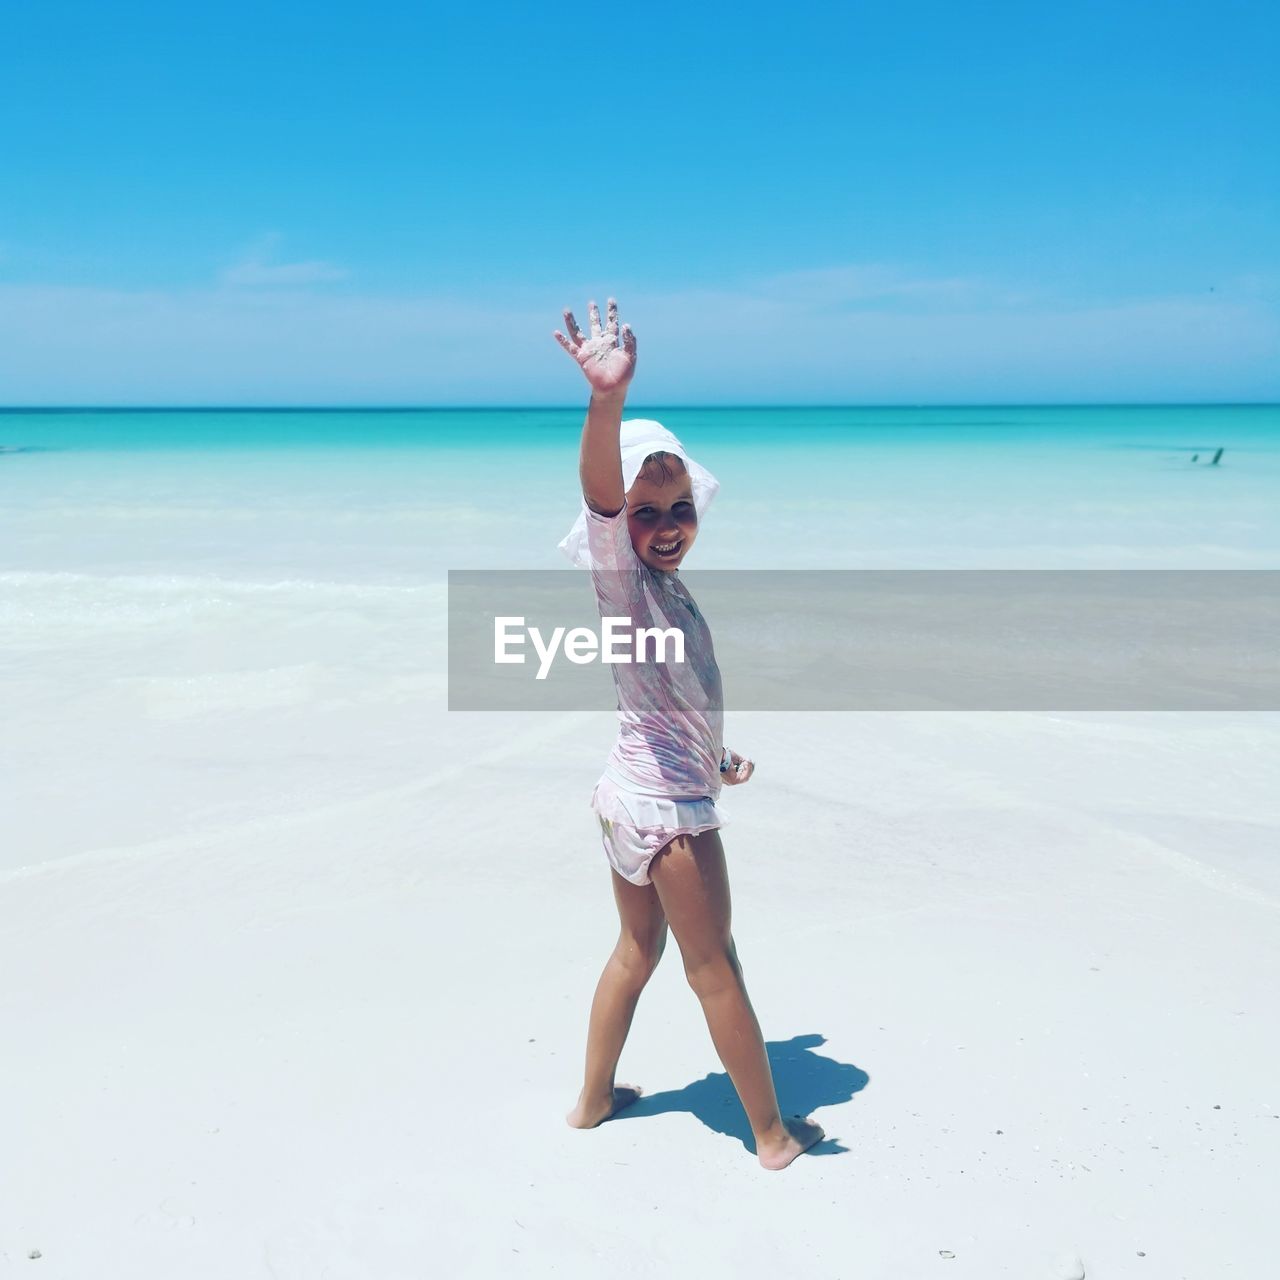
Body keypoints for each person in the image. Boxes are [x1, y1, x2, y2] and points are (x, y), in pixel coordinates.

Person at [552, 297, 825, 1171]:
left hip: (630, 791)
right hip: (667, 816)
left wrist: (714, 755)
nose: (666, 527)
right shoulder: (625, 581)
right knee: (716, 967)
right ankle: (774, 1136)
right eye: (646, 513)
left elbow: (668, 694)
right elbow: (600, 497)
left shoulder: (663, 593)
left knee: (638, 948)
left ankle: (593, 1101)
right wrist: (608, 405)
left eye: (680, 509)